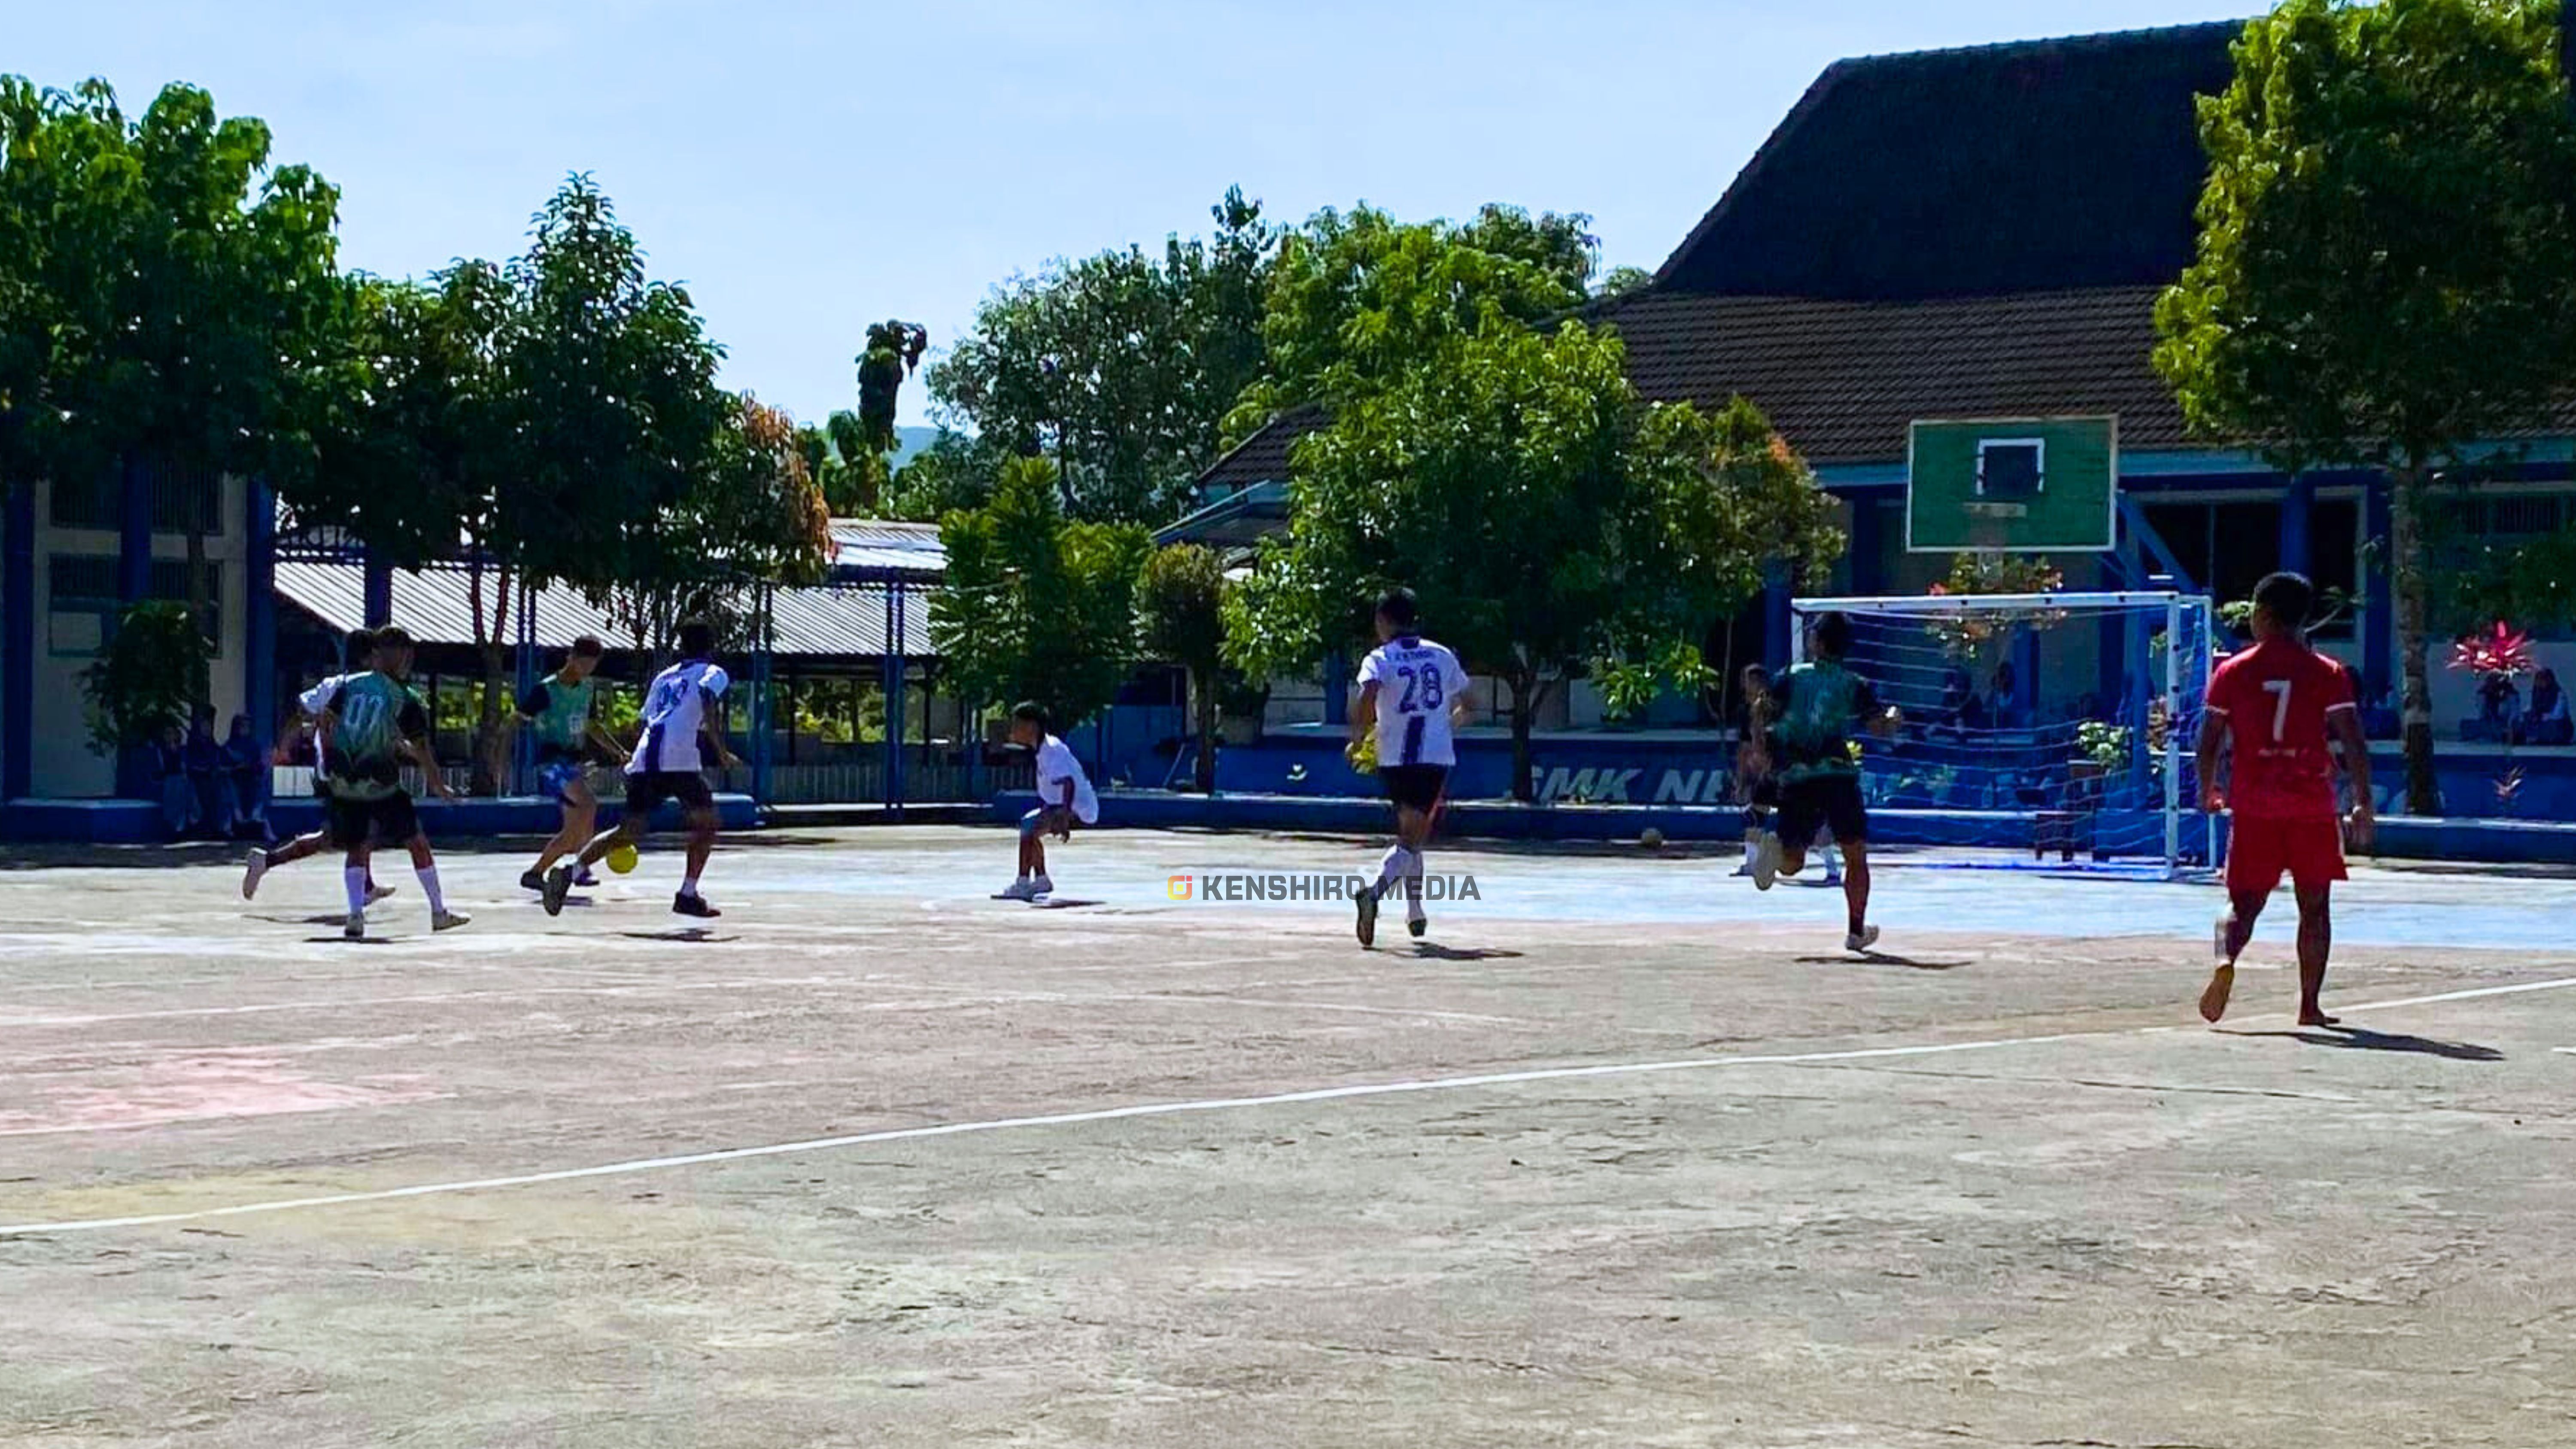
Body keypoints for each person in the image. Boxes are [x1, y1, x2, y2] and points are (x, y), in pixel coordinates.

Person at [2196, 571, 2373, 1027]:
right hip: (2310, 803)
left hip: (2255, 802)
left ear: (2264, 615)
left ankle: (2225, 960)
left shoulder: (2233, 671)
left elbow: (2210, 739)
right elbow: (2352, 740)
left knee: (2242, 904)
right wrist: (2362, 801)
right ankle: (2309, 1005)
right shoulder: (2326, 672)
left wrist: (2207, 786)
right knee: (2314, 906)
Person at [544, 619, 737, 920]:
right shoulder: (713, 672)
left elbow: (644, 722)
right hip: (679, 758)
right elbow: (707, 700)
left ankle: (571, 871)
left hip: (646, 758)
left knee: (629, 830)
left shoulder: (664, 677)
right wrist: (722, 752)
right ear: (711, 646)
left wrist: (633, 760)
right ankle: (688, 894)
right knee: (707, 824)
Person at [1749, 611, 1902, 952]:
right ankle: (1856, 931)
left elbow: (1762, 709)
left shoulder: (1791, 676)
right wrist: (1893, 718)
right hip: (1837, 774)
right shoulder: (1854, 683)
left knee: (1794, 861)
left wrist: (1762, 749)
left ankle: (1777, 852)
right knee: (1855, 853)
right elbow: (1879, 728)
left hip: (1796, 774)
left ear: (1817, 642)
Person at [319, 627, 466, 939]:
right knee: (416, 841)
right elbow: (422, 748)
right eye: (405, 653)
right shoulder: (404, 697)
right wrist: (438, 785)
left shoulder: (350, 685)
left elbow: (326, 720)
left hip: (346, 780)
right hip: (381, 782)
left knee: (357, 846)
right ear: (398, 654)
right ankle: (438, 912)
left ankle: (355, 916)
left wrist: (332, 754)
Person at [1349, 587, 1471, 947]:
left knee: (1412, 835)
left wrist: (1359, 736)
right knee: (1413, 837)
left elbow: (1367, 696)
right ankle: (1374, 893)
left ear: (1383, 621)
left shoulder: (1380, 658)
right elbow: (1470, 703)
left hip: (1394, 757)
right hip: (1432, 757)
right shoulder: (1441, 654)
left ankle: (1415, 912)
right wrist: (1447, 723)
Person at [245, 630, 394, 905]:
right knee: (351, 832)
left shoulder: (343, 686)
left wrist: (283, 747)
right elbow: (302, 714)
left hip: (349, 772)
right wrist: (284, 749)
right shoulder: (341, 687)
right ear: (369, 657)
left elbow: (300, 714)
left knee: (350, 833)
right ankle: (267, 861)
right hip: (339, 774)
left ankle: (365, 885)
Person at [516, 636, 629, 893]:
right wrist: (498, 754)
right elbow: (517, 719)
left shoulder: (587, 688)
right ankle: (578, 867)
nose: (588, 670)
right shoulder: (547, 689)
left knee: (576, 828)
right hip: (552, 761)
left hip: (573, 761)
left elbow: (592, 726)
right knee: (588, 805)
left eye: (592, 665)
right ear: (572, 658)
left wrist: (619, 751)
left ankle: (538, 873)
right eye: (584, 663)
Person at [1731, 665, 1842, 886]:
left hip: (1786, 775)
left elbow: (1759, 750)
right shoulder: (1775, 713)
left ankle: (1821, 866)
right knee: (1761, 816)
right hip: (1793, 775)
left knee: (1800, 831)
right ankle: (1757, 861)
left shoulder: (1771, 714)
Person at [999, 702, 1100, 900]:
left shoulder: (1052, 750)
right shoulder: (1043, 749)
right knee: (1028, 825)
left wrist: (1064, 816)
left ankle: (1023, 883)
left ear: (1032, 727)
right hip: (1059, 806)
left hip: (1079, 809)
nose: (1013, 730)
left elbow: (1068, 783)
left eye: (1017, 725)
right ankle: (1041, 879)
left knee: (1030, 829)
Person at [223, 714, 272, 844]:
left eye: (248, 727)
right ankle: (235, 818)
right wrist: (236, 768)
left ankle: (258, 817)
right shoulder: (229, 746)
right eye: (243, 727)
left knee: (263, 785)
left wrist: (251, 766)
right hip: (234, 779)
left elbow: (259, 765)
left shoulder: (254, 746)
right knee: (228, 787)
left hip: (251, 779)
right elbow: (223, 767)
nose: (246, 730)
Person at [185, 711, 233, 840]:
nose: (207, 729)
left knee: (223, 789)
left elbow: (221, 760)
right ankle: (204, 827)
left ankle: (221, 828)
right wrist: (205, 770)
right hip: (197, 779)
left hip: (214, 778)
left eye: (209, 726)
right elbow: (191, 765)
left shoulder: (213, 745)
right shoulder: (193, 746)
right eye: (204, 726)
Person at [155, 723, 195, 837]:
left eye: (172, 734)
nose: (170, 736)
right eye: (167, 734)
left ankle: (181, 826)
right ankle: (176, 826)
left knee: (182, 791)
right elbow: (163, 768)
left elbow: (184, 766)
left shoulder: (183, 750)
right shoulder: (161, 750)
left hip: (180, 778)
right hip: (169, 779)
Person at [2521, 668, 2571, 746]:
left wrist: (2542, 716)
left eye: (2542, 680)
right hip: (2541, 721)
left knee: (2552, 724)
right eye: (2538, 680)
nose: (2540, 683)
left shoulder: (2559, 694)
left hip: (2557, 724)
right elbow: (2530, 707)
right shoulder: (2535, 693)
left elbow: (2558, 715)